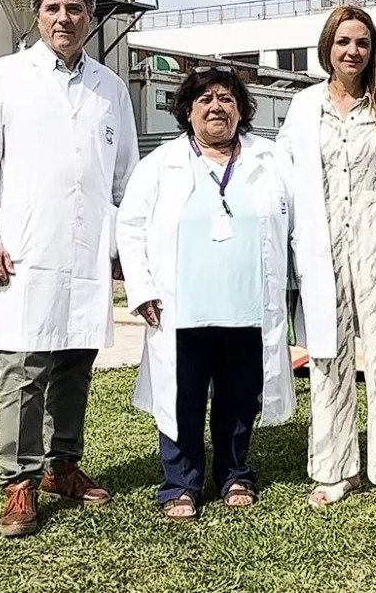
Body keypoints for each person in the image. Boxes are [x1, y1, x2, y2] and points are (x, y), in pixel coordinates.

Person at [0, 0, 140, 539]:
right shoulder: (6, 77)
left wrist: (124, 248)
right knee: (22, 369)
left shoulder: (110, 88)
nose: (64, 18)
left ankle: (63, 466)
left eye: (76, 10)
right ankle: (19, 482)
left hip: (87, 254)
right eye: (53, 8)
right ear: (38, 15)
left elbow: (125, 178)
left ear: (90, 18)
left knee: (74, 365)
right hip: (24, 251)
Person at [116, 66, 297, 522]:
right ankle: (180, 483)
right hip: (181, 307)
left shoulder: (270, 159)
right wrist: (141, 288)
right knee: (182, 397)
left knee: (239, 399)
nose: (217, 107)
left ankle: (235, 472)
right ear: (188, 110)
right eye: (205, 100)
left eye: (227, 99)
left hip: (247, 305)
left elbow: (297, 224)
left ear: (241, 109)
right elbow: (130, 226)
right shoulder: (160, 164)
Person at [276, 4, 376, 509]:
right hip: (322, 242)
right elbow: (286, 178)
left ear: (372, 49)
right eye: (343, 42)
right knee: (328, 355)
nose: (352, 51)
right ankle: (335, 469)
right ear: (327, 49)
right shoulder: (305, 106)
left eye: (361, 42)